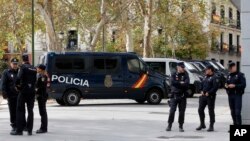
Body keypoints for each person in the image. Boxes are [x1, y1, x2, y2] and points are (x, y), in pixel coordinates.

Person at [11, 54, 37, 136]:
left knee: (20, 110)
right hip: (32, 92)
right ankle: (29, 130)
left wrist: (16, 86)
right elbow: (35, 80)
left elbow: (18, 78)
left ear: (22, 60)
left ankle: (19, 130)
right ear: (28, 59)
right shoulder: (34, 68)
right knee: (30, 111)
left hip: (23, 92)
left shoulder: (22, 67)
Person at [166, 62, 190, 132]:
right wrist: (181, 83)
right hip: (174, 95)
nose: (183, 68)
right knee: (172, 111)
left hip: (182, 96)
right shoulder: (173, 74)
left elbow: (187, 84)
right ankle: (169, 125)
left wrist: (179, 83)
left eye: (183, 67)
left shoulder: (186, 74)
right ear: (178, 67)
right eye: (182, 67)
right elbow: (172, 83)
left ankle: (181, 126)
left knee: (182, 112)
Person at [196, 65, 219, 132]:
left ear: (210, 70)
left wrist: (209, 92)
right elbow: (201, 84)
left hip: (210, 96)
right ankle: (202, 124)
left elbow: (215, 87)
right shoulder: (205, 76)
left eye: (206, 69)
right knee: (200, 109)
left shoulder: (215, 77)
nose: (205, 71)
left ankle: (211, 125)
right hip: (203, 96)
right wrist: (201, 90)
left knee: (211, 111)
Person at [225, 62, 246, 127]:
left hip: (237, 95)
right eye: (229, 68)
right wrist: (227, 86)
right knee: (232, 112)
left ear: (234, 67)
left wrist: (235, 86)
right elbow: (226, 84)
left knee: (237, 112)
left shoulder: (240, 75)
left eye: (231, 68)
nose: (230, 69)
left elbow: (243, 85)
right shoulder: (229, 75)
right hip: (230, 95)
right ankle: (235, 124)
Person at [1, 58, 19, 132]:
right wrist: (4, 93)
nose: (15, 65)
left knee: (20, 111)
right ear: (11, 64)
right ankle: (14, 125)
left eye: (16, 64)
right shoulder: (6, 72)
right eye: (14, 64)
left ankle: (20, 125)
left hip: (19, 95)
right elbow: (3, 83)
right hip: (11, 95)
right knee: (12, 111)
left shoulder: (20, 72)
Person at [36, 64, 48, 134]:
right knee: (42, 112)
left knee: (43, 112)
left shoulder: (43, 76)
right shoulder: (41, 75)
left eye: (38, 68)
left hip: (42, 96)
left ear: (41, 69)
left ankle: (43, 128)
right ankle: (43, 127)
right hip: (41, 95)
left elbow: (40, 86)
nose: (37, 69)